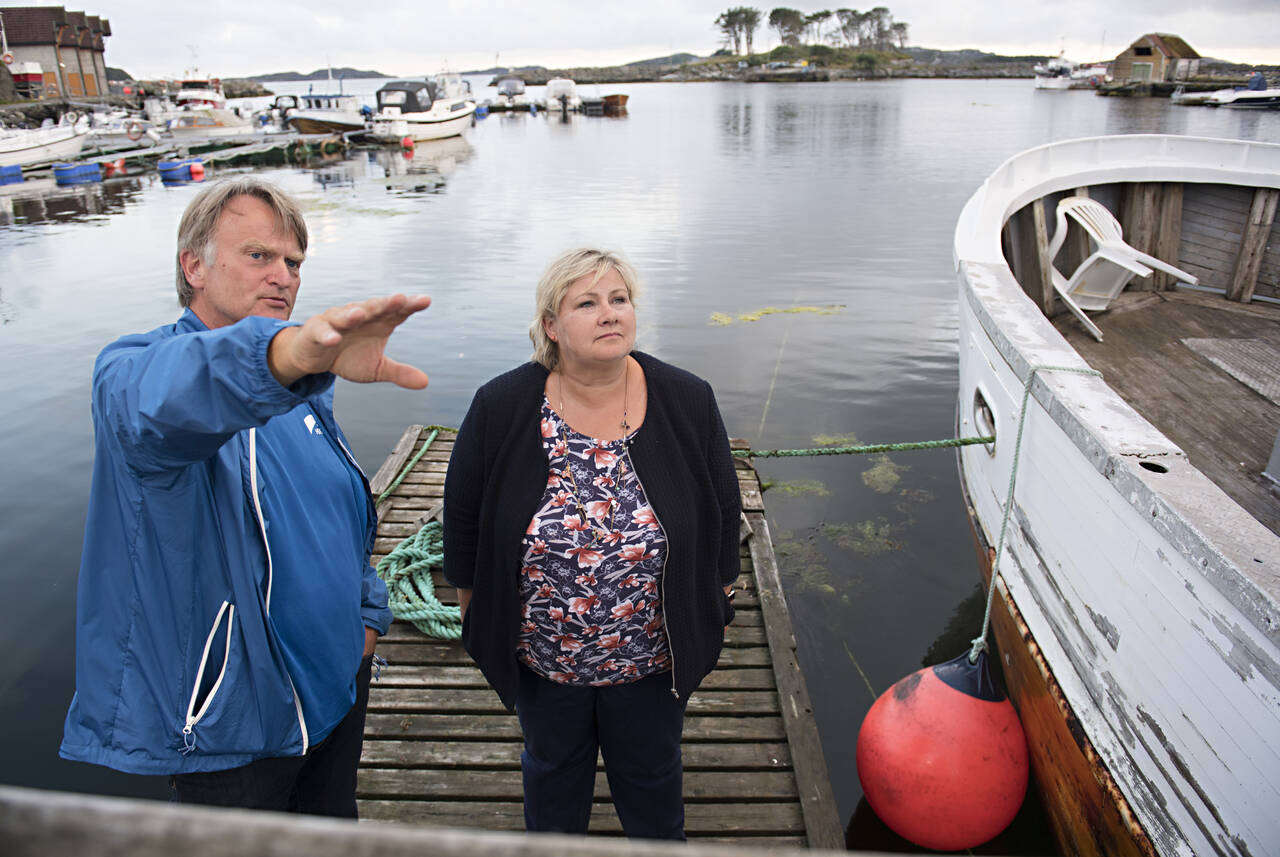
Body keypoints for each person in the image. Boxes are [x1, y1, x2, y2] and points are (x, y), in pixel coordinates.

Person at [59, 177, 432, 817]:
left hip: (334, 696)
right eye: (259, 255)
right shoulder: (135, 374)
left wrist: (366, 620)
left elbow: (339, 518)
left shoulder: (304, 393)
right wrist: (283, 355)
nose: (283, 277)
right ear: (193, 266)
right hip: (231, 733)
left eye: (293, 263)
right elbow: (177, 395)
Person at [442, 248, 740, 839]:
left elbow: (722, 510)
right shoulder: (501, 406)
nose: (609, 314)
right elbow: (465, 518)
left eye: (618, 299)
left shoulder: (686, 397)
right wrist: (476, 611)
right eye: (586, 302)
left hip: (653, 661)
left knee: (653, 780)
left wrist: (719, 598)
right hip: (545, 659)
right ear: (551, 326)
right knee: (552, 776)